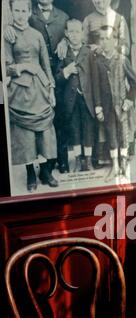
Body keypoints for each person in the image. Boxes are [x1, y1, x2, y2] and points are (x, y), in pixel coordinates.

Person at [5, 0, 58, 192]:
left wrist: (51, 89)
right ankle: (30, 173)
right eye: (16, 10)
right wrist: (25, 66)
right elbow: (6, 68)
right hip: (20, 92)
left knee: (45, 131)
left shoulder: (37, 35)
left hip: (41, 88)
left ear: (29, 12)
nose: (20, 14)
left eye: (23, 10)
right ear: (11, 12)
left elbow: (45, 65)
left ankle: (45, 171)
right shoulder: (7, 36)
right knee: (25, 135)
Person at [92, 25, 136, 181]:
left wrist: (129, 100)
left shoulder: (122, 59)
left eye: (108, 38)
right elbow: (96, 86)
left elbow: (133, 82)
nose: (105, 42)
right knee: (111, 135)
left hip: (122, 104)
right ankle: (115, 166)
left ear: (115, 40)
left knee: (123, 134)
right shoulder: (98, 61)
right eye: (102, 39)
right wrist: (98, 106)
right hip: (107, 106)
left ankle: (124, 165)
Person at [55, 19, 96, 172]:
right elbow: (57, 78)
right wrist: (67, 71)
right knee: (75, 130)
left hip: (87, 100)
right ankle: (78, 161)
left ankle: (89, 161)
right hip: (70, 101)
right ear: (66, 33)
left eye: (77, 31)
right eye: (71, 31)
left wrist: (96, 102)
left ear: (82, 33)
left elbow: (95, 79)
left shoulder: (89, 52)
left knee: (88, 130)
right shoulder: (63, 54)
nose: (74, 35)